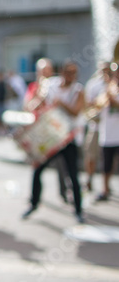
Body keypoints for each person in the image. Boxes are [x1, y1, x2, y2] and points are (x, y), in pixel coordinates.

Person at [22, 61, 85, 223]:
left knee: (73, 175)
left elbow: (77, 111)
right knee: (38, 169)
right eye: (69, 72)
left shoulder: (78, 90)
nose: (72, 76)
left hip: (68, 139)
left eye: (74, 73)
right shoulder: (51, 85)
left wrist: (61, 104)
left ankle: (78, 210)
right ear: (62, 73)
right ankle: (33, 203)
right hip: (51, 138)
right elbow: (37, 101)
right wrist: (35, 105)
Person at [23, 57, 70, 204]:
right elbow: (28, 106)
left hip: (55, 130)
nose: (46, 74)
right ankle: (34, 199)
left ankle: (65, 194)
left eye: (48, 71)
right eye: (43, 71)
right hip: (40, 132)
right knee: (37, 166)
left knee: (62, 164)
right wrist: (39, 95)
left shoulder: (57, 85)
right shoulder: (34, 87)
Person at [82, 61, 111, 191]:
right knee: (91, 155)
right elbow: (87, 104)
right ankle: (89, 179)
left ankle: (106, 187)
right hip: (96, 124)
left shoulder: (113, 84)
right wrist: (98, 102)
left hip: (110, 127)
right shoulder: (93, 84)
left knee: (109, 157)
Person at [96, 63, 119, 201]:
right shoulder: (104, 89)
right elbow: (96, 106)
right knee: (106, 165)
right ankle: (105, 190)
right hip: (107, 134)